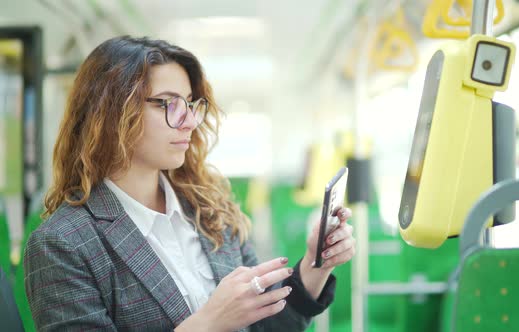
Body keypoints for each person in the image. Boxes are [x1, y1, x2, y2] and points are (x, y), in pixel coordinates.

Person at [23, 36, 356, 332]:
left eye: (191, 104)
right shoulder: (63, 244)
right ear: (111, 113)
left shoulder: (211, 210)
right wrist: (208, 323)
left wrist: (316, 264)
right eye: (169, 104)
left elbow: (266, 324)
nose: (190, 121)